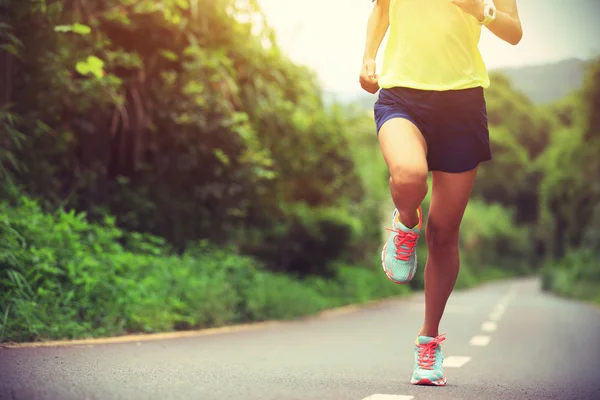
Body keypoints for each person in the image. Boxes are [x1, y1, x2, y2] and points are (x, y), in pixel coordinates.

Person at [359, 0, 522, 387]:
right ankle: (405, 223)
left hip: (462, 103)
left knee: (445, 232)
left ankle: (428, 341)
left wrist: (480, 10)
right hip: (401, 93)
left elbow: (514, 32)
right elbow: (382, 9)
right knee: (410, 176)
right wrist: (368, 56)